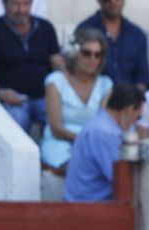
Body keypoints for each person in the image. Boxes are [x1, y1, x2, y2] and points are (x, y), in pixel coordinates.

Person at [0, 0, 63, 133]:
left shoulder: (45, 28)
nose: (22, 10)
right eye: (16, 4)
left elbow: (56, 60)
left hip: (44, 97)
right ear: (4, 4)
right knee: (16, 126)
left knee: (65, 118)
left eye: (26, 4)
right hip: (12, 100)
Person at [40, 28, 114, 191]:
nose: (92, 59)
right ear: (75, 53)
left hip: (92, 144)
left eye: (97, 54)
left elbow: (102, 124)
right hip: (60, 143)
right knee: (81, 167)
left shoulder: (105, 84)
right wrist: (84, 140)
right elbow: (56, 128)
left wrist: (88, 143)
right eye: (86, 53)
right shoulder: (55, 81)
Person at [65, 83, 146, 202]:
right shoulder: (104, 133)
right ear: (128, 110)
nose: (136, 123)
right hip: (88, 208)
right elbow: (121, 177)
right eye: (138, 117)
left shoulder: (101, 126)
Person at [77, 0, 149, 91]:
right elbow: (77, 72)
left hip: (129, 100)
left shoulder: (137, 35)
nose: (113, 1)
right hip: (95, 98)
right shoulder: (83, 30)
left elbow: (142, 79)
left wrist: (133, 100)